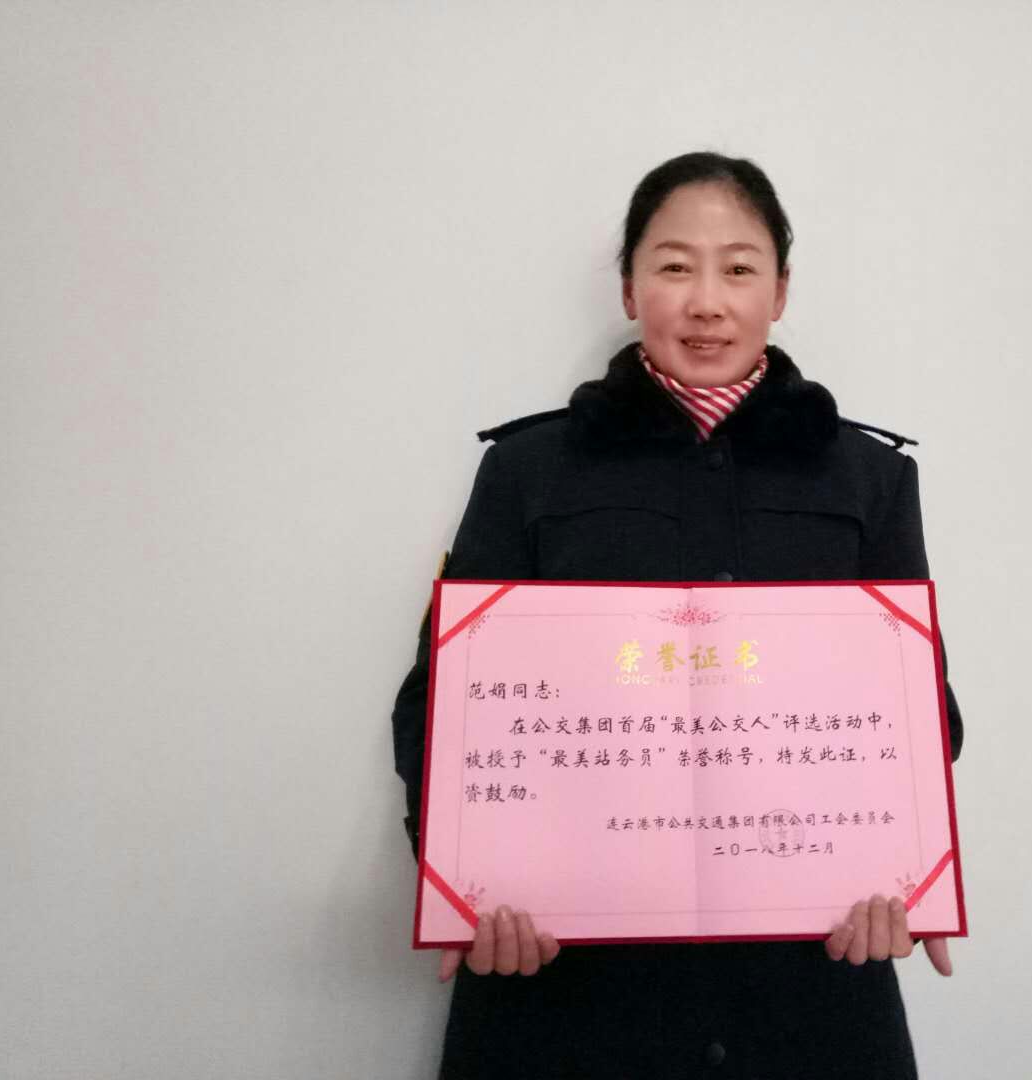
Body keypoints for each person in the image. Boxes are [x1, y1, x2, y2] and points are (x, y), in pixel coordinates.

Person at [392, 151, 964, 1079]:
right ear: (629, 287)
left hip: (809, 988)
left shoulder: (870, 478)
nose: (707, 302)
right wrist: (461, 882)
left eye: (738, 268)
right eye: (673, 266)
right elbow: (440, 705)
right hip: (567, 990)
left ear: (780, 291)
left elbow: (921, 713)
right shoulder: (529, 471)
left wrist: (907, 872)